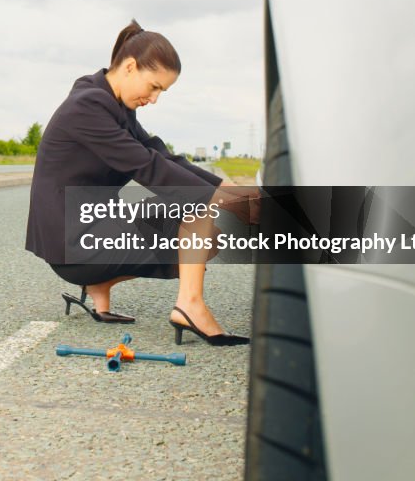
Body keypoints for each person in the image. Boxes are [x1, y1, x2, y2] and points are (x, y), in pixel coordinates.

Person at [25, 19, 258, 345]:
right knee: (196, 208)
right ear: (131, 67)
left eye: (162, 91)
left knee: (208, 234)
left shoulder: (113, 106)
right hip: (73, 244)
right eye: (154, 87)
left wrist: (235, 193)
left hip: (87, 235)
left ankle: (100, 287)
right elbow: (148, 168)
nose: (155, 98)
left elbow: (163, 157)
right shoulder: (88, 108)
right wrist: (224, 199)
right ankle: (189, 306)